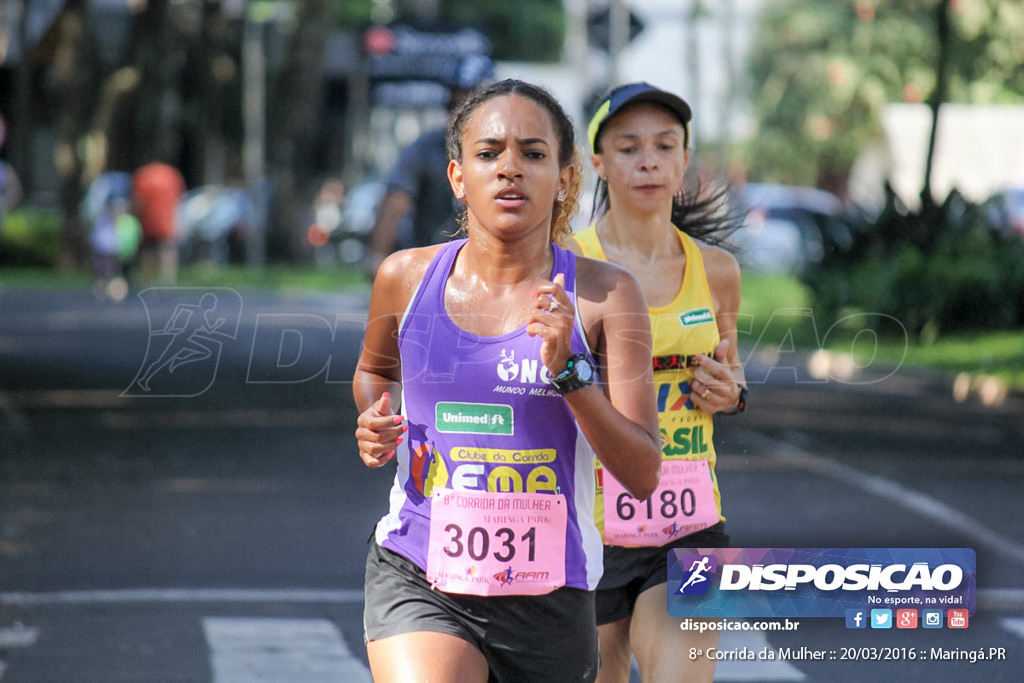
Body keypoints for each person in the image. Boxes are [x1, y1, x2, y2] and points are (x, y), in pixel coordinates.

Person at [353, 79, 663, 683]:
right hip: (421, 571)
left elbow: (642, 471)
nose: (510, 169)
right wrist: (374, 417)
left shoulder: (606, 296)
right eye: (489, 153)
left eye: (534, 153)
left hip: (550, 593)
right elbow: (373, 373)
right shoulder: (404, 278)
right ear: (457, 176)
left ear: (566, 177)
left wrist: (571, 372)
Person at [571, 82, 748, 683]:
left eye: (663, 145)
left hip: (689, 522)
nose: (647, 161)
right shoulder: (566, 263)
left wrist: (732, 391)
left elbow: (732, 370)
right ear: (598, 161)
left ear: (683, 159)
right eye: (628, 147)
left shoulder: (717, 271)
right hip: (584, 522)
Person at [363, 55, 494, 280]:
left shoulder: (509, 153)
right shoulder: (425, 149)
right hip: (433, 271)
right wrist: (378, 258)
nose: (460, 113)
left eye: (471, 106)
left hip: (492, 271)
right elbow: (395, 203)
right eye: (454, 104)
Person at [132, 160, 186, 284]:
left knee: (148, 248)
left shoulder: (143, 175)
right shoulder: (172, 174)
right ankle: (168, 277)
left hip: (148, 219)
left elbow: (138, 201)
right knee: (167, 248)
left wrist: (136, 217)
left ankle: (148, 277)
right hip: (167, 220)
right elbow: (179, 200)